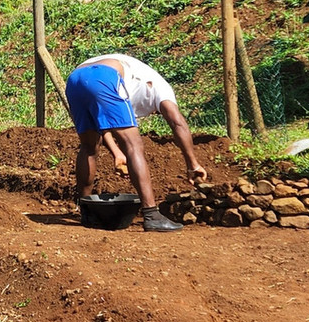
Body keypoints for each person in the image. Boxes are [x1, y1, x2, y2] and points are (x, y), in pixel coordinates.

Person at [65, 53, 208, 232]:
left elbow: (103, 126)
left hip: (75, 79)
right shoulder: (162, 89)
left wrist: (117, 153)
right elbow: (177, 122)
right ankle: (151, 214)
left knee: (89, 147)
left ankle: (87, 213)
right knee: (134, 146)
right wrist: (192, 164)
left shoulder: (132, 81)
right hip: (104, 75)